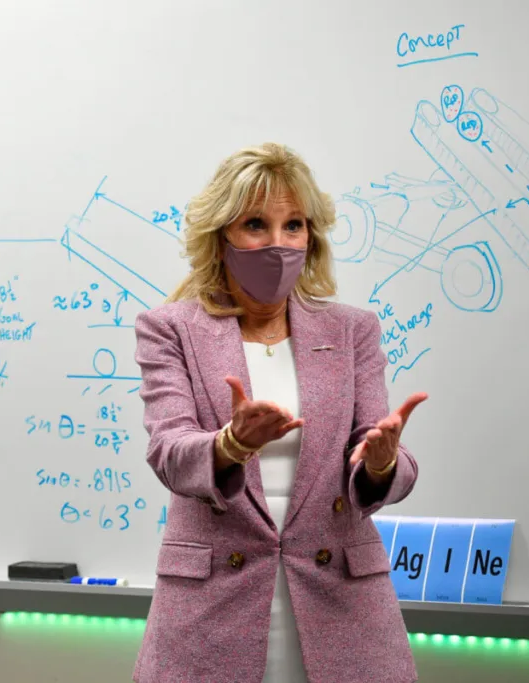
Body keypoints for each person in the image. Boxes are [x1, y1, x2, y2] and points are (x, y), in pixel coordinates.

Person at [131, 143, 427, 683]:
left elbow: (379, 452)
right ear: (221, 237)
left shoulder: (351, 329)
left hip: (342, 605)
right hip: (211, 614)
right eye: (255, 225)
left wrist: (382, 461)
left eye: (293, 225)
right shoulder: (170, 328)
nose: (278, 243)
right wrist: (230, 444)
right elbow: (170, 454)